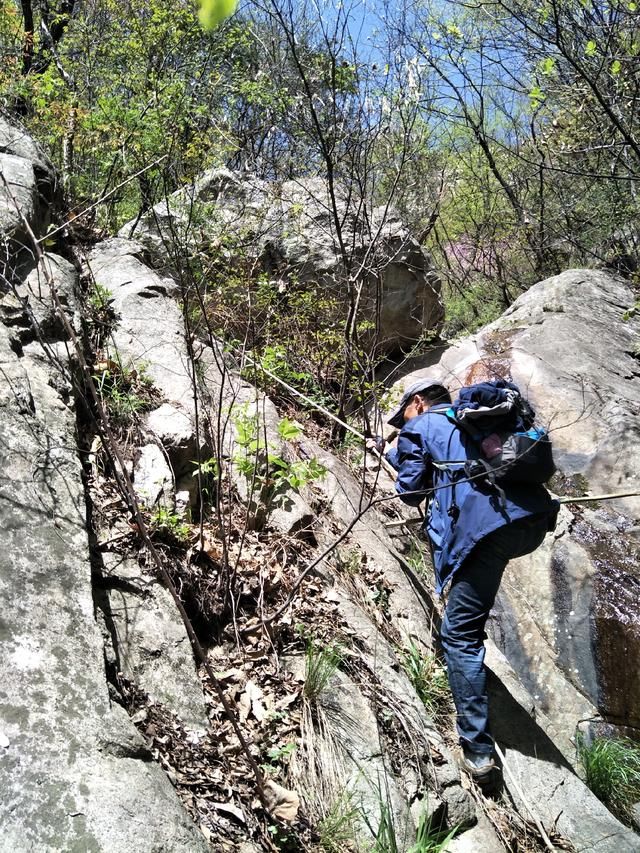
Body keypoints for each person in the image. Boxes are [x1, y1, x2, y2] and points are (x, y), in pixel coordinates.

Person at [377, 379, 558, 780]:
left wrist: (389, 456)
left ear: (418, 403)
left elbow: (410, 492)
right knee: (471, 605)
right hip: (528, 522)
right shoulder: (476, 422)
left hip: (486, 529)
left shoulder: (420, 426)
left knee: (458, 635)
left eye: (402, 414)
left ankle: (477, 751)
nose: (400, 423)